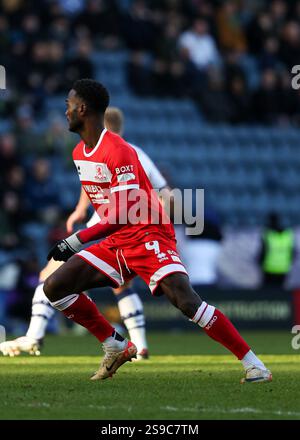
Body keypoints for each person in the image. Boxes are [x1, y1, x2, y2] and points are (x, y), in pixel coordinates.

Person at [11, 79, 271, 382]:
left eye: (68, 104)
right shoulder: (80, 153)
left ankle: (255, 364)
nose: (65, 110)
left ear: (82, 109)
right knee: (54, 287)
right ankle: (115, 345)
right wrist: (83, 217)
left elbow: (123, 212)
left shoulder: (119, 151)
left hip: (149, 234)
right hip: (117, 240)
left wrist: (77, 239)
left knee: (186, 302)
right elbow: (104, 202)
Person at [0, 107, 171, 359]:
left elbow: (93, 182)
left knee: (51, 272)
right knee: (122, 285)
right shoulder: (137, 153)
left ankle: (34, 335)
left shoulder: (104, 149)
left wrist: (80, 211)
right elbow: (165, 193)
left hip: (105, 224)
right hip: (135, 228)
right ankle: (141, 344)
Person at [260, 212, 295, 288]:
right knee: (280, 292)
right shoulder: (288, 234)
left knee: (268, 293)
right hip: (284, 268)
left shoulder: (268, 234)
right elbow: (293, 252)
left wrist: (260, 262)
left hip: (269, 268)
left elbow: (263, 252)